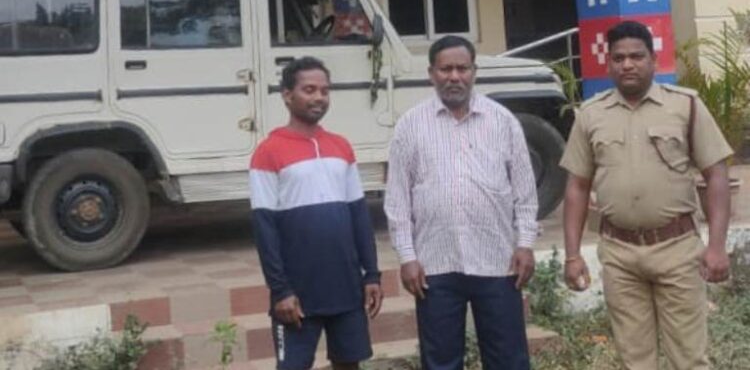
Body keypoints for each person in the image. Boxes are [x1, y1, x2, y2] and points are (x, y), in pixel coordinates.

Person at [560, 20, 733, 369]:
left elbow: (716, 176)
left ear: (654, 60)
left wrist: (716, 246)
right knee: (634, 360)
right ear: (608, 64)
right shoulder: (591, 115)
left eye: (637, 56)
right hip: (619, 254)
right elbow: (577, 187)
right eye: (618, 58)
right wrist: (572, 254)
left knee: (690, 359)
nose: (627, 65)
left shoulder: (685, 106)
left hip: (677, 249)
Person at [385, 35, 538, 370]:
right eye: (445, 69)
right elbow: (397, 200)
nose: (454, 76)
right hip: (434, 266)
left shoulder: (503, 121)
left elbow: (525, 193)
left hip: (498, 262)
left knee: (508, 360)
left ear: (474, 72)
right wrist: (407, 256)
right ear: (431, 74)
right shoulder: (410, 125)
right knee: (441, 362)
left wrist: (525, 243)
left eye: (462, 68)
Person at [249, 56, 383, 370]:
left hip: (346, 287)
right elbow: (264, 229)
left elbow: (359, 217)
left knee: (349, 363)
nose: (319, 97)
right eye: (309, 90)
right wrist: (280, 290)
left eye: (325, 90)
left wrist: (372, 274)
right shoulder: (268, 152)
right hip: (297, 293)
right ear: (287, 95)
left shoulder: (341, 147)